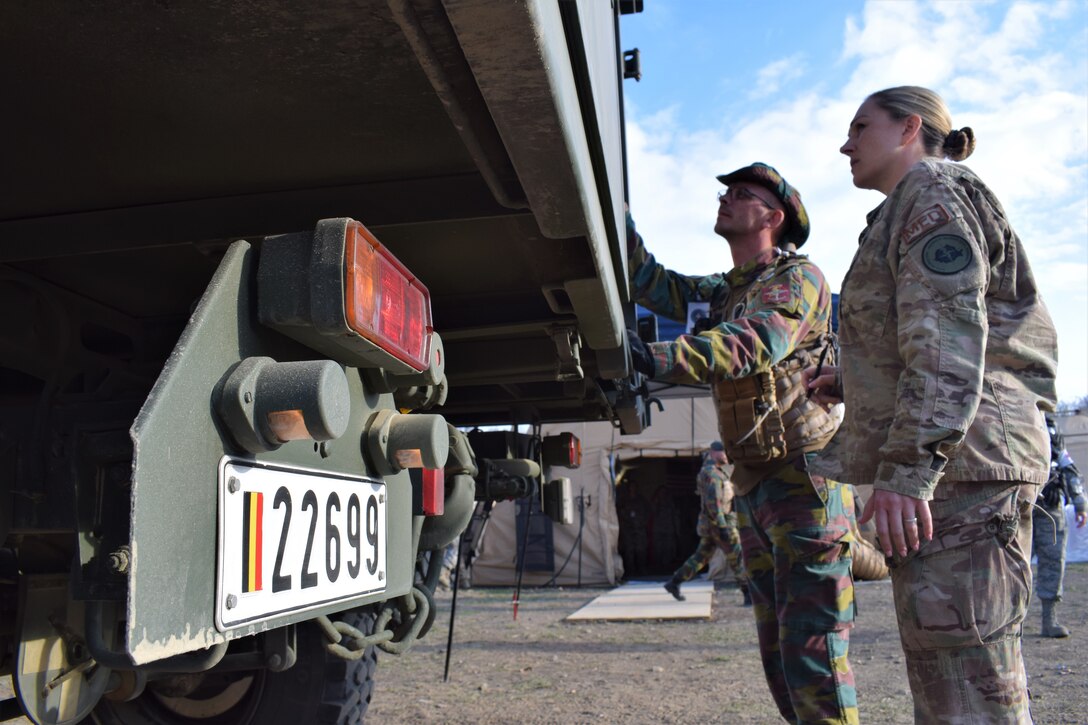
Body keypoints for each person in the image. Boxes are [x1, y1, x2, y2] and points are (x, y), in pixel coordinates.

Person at [805, 86, 1059, 723]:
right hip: (958, 465)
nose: (846, 144)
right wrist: (858, 378)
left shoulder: (933, 191)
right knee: (952, 682)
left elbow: (948, 339)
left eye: (860, 127)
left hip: (961, 468)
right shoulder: (906, 206)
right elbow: (928, 334)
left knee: (974, 690)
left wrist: (909, 473)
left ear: (908, 128)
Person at [627, 163, 857, 725]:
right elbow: (657, 284)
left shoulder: (797, 280)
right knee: (780, 658)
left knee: (816, 659)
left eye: (742, 194)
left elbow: (752, 344)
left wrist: (655, 358)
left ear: (774, 218)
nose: (726, 199)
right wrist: (618, 221)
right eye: (726, 191)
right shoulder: (728, 289)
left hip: (804, 481)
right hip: (756, 485)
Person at [664, 441, 750, 605]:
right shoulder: (712, 474)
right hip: (720, 523)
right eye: (723, 452)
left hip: (713, 524)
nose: (726, 455)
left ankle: (674, 582)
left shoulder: (716, 472)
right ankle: (747, 592)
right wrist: (723, 526)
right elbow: (714, 503)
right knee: (737, 555)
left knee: (701, 557)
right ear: (714, 453)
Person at [1034, 415, 1087, 637]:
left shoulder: (1049, 426)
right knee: (1009, 565)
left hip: (1051, 504)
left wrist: (1079, 502)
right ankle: (1008, 624)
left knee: (1054, 561)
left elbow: (1068, 467)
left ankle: (1049, 620)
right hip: (1016, 504)